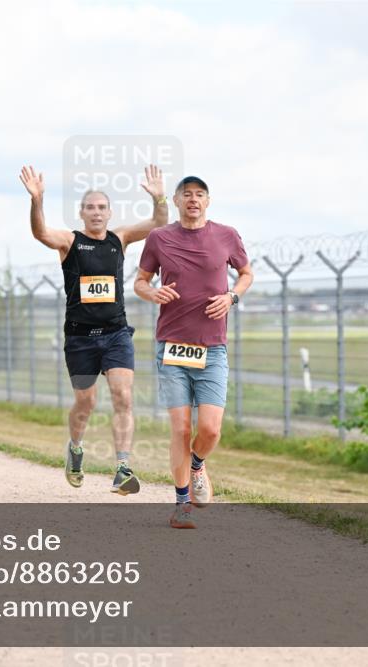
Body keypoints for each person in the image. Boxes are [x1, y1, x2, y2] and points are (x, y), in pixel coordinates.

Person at [19, 164, 167, 494]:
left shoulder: (121, 238)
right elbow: (40, 232)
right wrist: (37, 200)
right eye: (90, 207)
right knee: (85, 403)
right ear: (82, 213)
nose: (96, 213)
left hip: (116, 334)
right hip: (80, 338)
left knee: (123, 396)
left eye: (102, 207)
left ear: (110, 212)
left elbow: (159, 223)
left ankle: (122, 468)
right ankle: (75, 448)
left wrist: (159, 197)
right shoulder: (70, 241)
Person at [134, 176, 253, 529]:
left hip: (213, 349)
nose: (193, 199)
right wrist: (150, 292)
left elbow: (246, 273)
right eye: (187, 194)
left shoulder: (227, 235)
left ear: (208, 201)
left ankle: (198, 464)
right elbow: (140, 281)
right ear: (176, 200)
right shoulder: (160, 238)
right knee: (180, 429)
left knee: (210, 430)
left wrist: (232, 297)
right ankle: (181, 504)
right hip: (172, 347)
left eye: (199, 194)